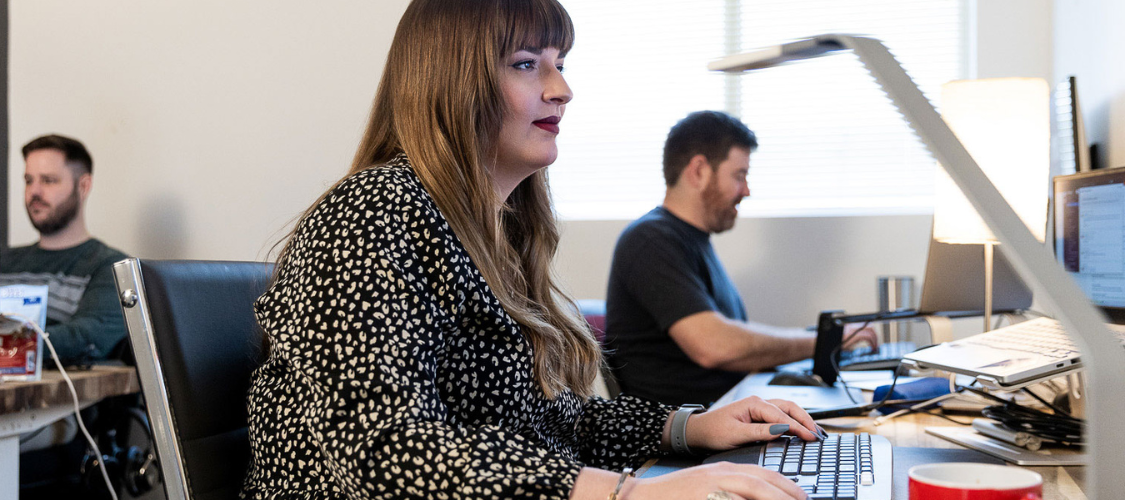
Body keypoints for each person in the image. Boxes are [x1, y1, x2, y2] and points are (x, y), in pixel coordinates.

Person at [244, 2, 822, 500]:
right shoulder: (374, 211)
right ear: (452, 82)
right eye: (526, 64)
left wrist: (689, 428)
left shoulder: (489, 234)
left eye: (560, 64)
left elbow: (544, 424)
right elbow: (383, 450)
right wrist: (630, 491)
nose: (562, 90)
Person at [605, 111, 878, 407]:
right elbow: (715, 346)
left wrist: (820, 343)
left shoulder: (691, 241)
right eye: (739, 175)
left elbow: (732, 346)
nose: (746, 190)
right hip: (687, 439)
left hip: (723, 417)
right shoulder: (650, 241)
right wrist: (826, 344)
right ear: (699, 171)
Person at [0, 134, 128, 499]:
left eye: (48, 181)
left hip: (48, 413)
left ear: (83, 186)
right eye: (28, 180)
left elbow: (86, 337)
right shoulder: (0, 260)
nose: (35, 191)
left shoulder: (106, 265)